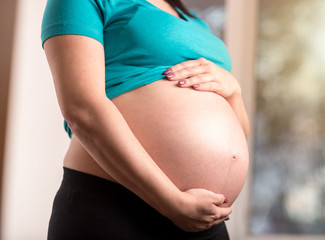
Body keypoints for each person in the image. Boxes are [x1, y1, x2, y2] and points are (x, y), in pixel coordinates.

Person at [41, 0, 250, 239]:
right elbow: (82, 108)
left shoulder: (193, 20)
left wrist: (234, 92)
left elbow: (239, 135)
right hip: (116, 202)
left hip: (205, 219)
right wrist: (172, 202)